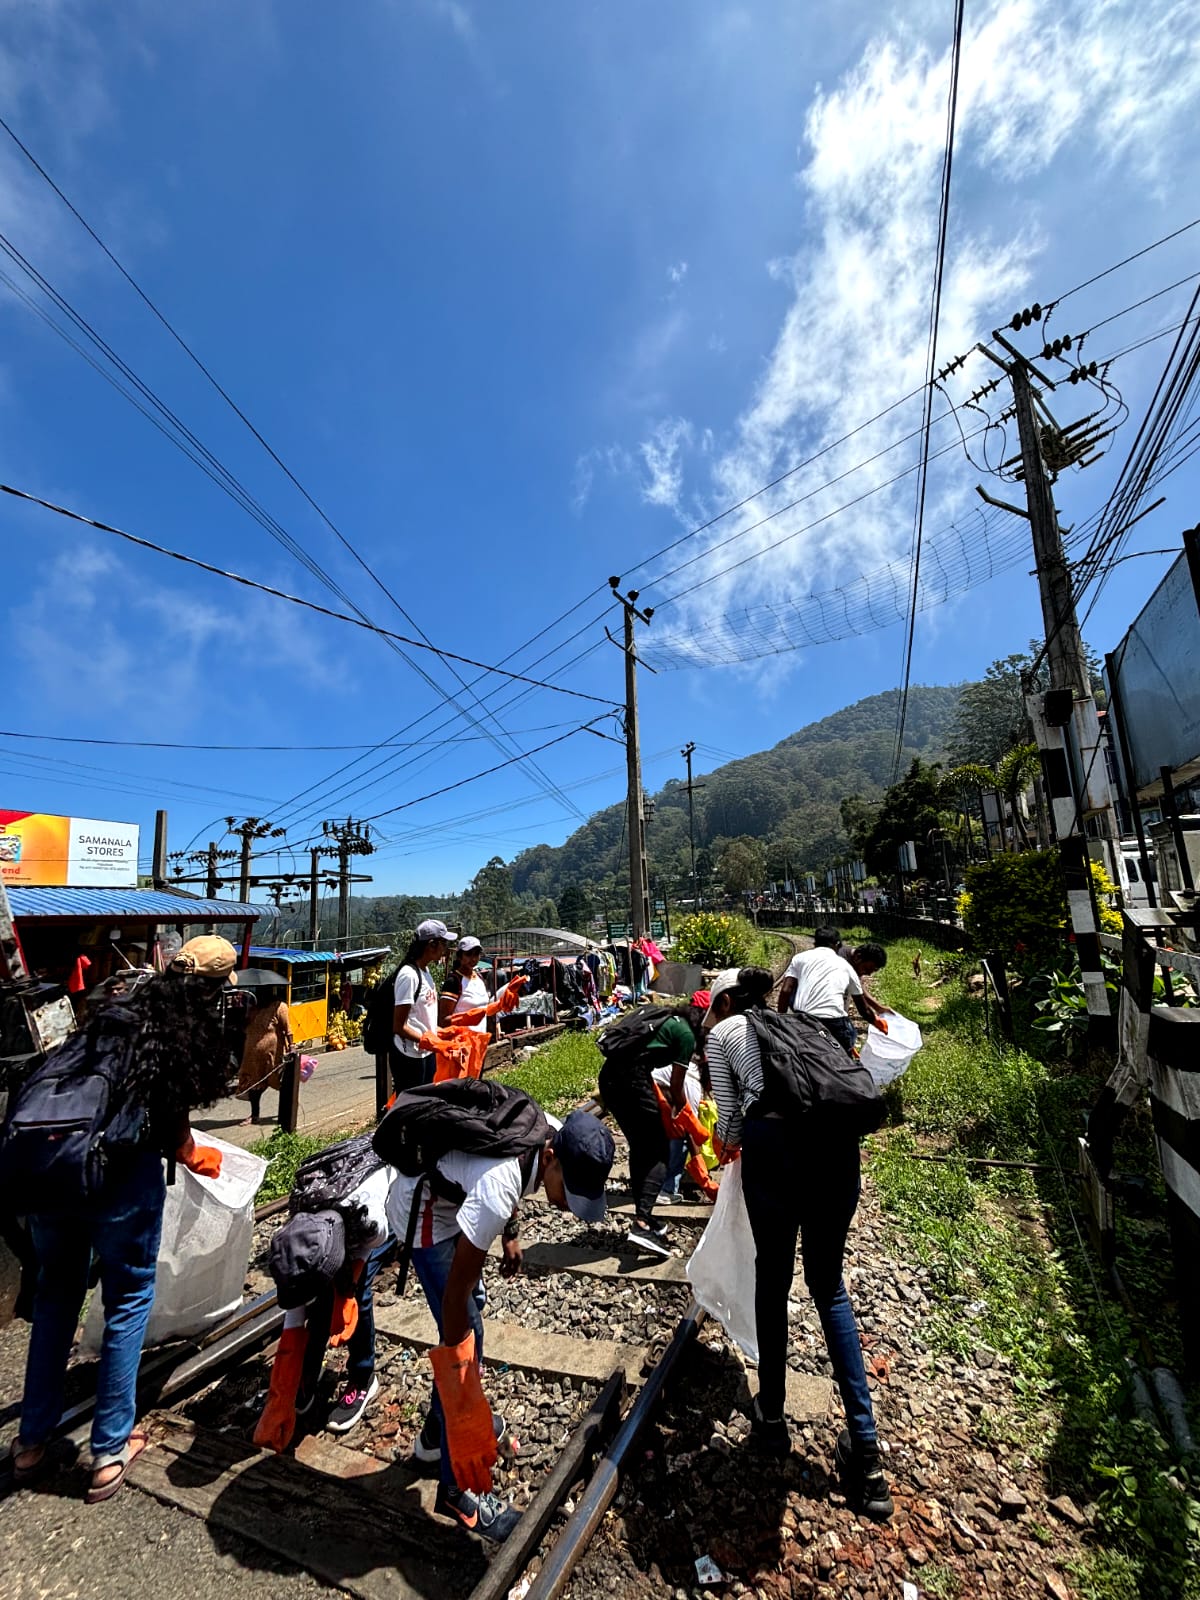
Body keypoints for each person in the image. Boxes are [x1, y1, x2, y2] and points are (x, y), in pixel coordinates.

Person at [7, 937, 232, 1503]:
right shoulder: (168, 1032)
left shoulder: (107, 1010)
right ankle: (109, 1450)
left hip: (53, 1171)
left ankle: (30, 1443)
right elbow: (172, 1125)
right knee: (129, 1297)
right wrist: (191, 1153)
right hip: (117, 1179)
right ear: (209, 990)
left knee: (56, 1297)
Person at [704, 966, 893, 1521]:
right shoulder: (801, 1026)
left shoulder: (724, 1035)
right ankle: (866, 1451)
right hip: (836, 1154)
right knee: (829, 1288)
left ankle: (773, 1419)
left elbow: (732, 1127)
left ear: (724, 1003)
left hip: (777, 1160)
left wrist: (725, 1146)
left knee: (773, 1284)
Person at [385, 1109, 615, 1542]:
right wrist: (465, 1403)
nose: (568, 1204)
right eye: (569, 1190)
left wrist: (509, 1232)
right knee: (466, 1330)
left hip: (452, 1199)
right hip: (427, 1217)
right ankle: (456, 1489)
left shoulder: (548, 1132)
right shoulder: (498, 1188)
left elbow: (505, 1175)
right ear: (552, 1157)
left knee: (470, 1316)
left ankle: (436, 1434)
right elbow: (455, 1298)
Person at [597, 1003, 703, 1256]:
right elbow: (677, 1087)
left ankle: (644, 1215)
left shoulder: (664, 1017)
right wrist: (687, 1119)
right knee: (659, 1150)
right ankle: (642, 1223)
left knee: (640, 1146)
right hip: (632, 1080)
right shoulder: (687, 1035)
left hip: (609, 1078)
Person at [776, 932, 889, 1055]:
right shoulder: (845, 966)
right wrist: (875, 1021)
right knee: (849, 1034)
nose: (868, 974)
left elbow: (786, 990)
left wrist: (782, 1021)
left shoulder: (800, 958)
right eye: (867, 970)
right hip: (830, 1022)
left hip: (801, 1016)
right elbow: (863, 1010)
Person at [392, 920, 454, 1093]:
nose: (445, 949)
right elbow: (399, 1026)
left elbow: (422, 1016)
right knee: (412, 1108)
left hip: (426, 1053)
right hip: (410, 1056)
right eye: (444, 943)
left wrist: (440, 1034)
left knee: (426, 1102)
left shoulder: (425, 973)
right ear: (431, 945)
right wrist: (429, 1041)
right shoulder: (409, 976)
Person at [236, 989, 292, 1124]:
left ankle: (285, 1115)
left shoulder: (279, 1007)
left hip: (272, 1056)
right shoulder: (253, 1008)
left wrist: (292, 1046)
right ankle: (254, 1115)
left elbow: (287, 1029)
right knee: (255, 1087)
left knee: (281, 1085)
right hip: (253, 1057)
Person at [439, 937, 490, 1033]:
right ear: (459, 956)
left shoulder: (479, 977)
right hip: (462, 1042)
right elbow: (443, 1021)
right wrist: (465, 1018)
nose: (473, 958)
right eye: (468, 954)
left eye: (476, 954)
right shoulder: (454, 981)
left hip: (479, 1042)